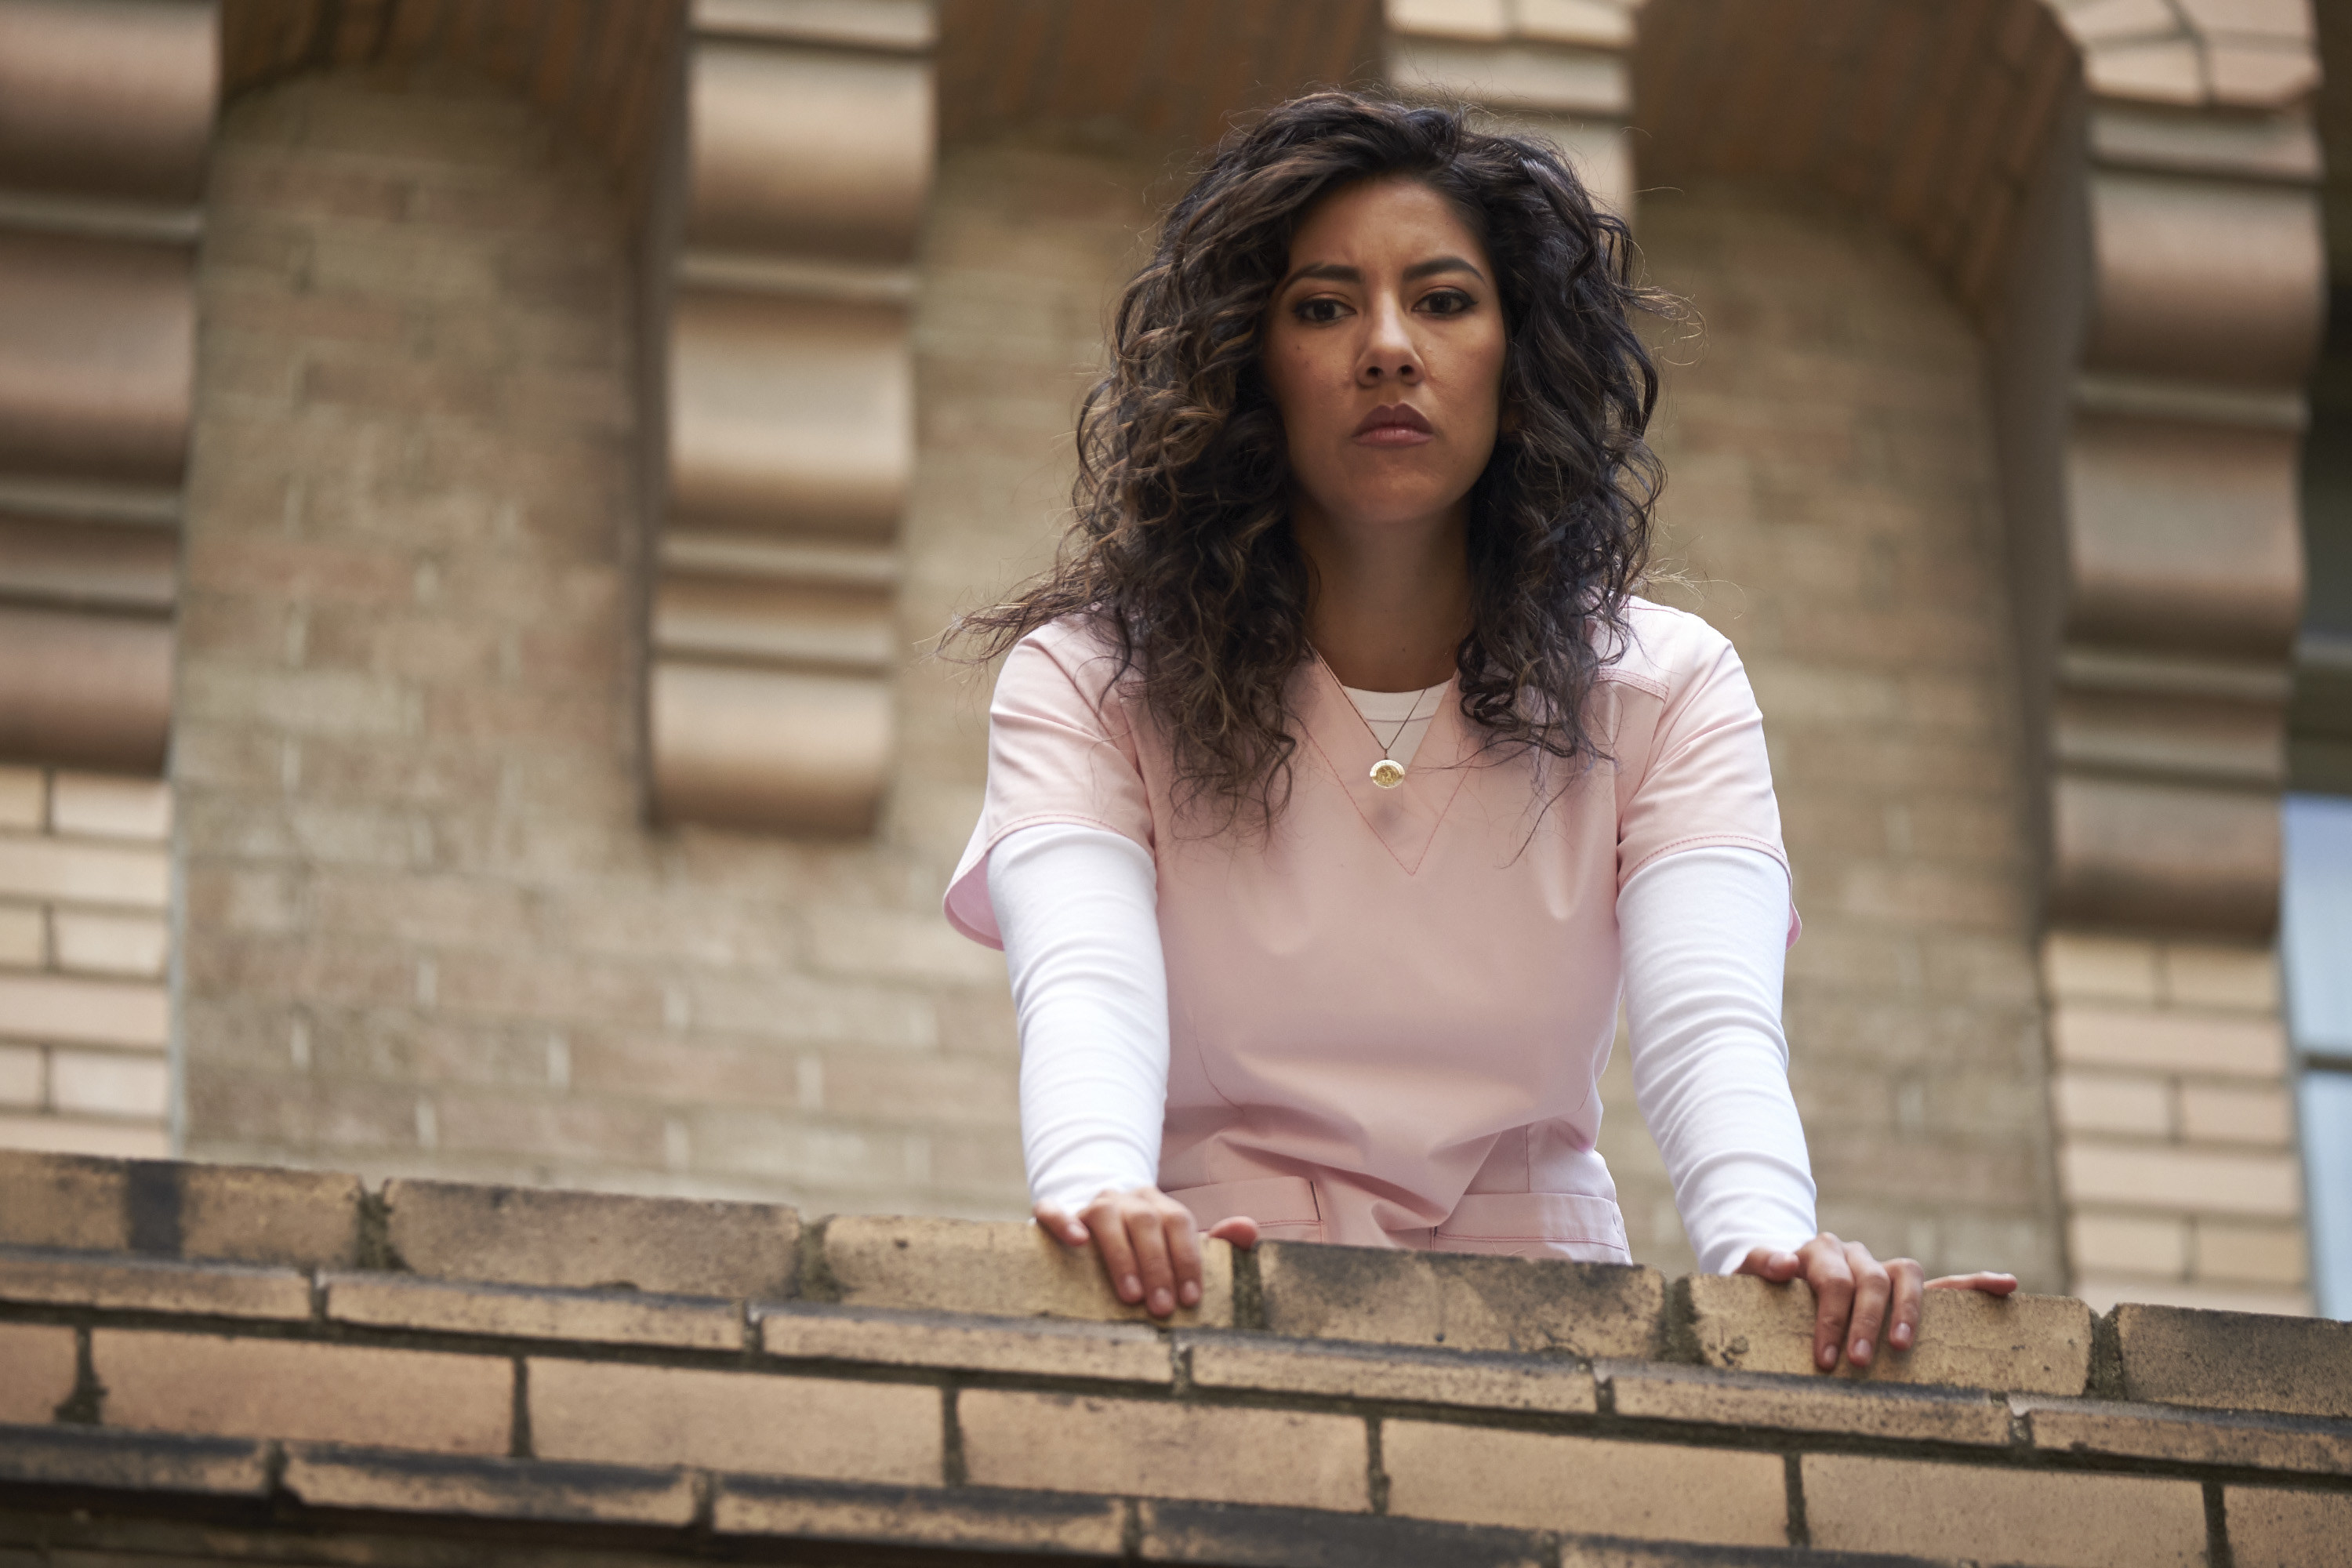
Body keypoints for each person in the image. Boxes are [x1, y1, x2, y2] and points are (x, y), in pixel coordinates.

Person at [942, 92, 2014, 1373]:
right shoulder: (1092, 680)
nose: (1388, 347)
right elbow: (1083, 985)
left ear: (1519, 369)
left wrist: (1771, 1257)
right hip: (1200, 1297)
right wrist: (1096, 1192)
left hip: (1552, 1339)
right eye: (1324, 306)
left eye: (1444, 301)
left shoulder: (1668, 686)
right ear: (1248, 367)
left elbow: (1712, 1026)